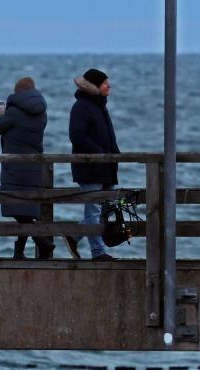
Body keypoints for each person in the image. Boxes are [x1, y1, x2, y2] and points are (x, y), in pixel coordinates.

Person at [0, 76, 54, 259]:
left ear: (17, 93)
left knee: (15, 206)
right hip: (34, 166)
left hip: (15, 167)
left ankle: (43, 242)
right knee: (25, 209)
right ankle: (19, 251)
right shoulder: (42, 113)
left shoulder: (13, 113)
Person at [67, 68, 119, 261]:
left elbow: (107, 135)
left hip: (106, 167)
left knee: (104, 209)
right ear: (95, 86)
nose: (109, 86)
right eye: (105, 83)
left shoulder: (100, 106)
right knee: (94, 210)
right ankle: (98, 252)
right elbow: (76, 135)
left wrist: (115, 153)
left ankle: (74, 236)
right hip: (89, 167)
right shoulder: (82, 106)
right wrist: (100, 153)